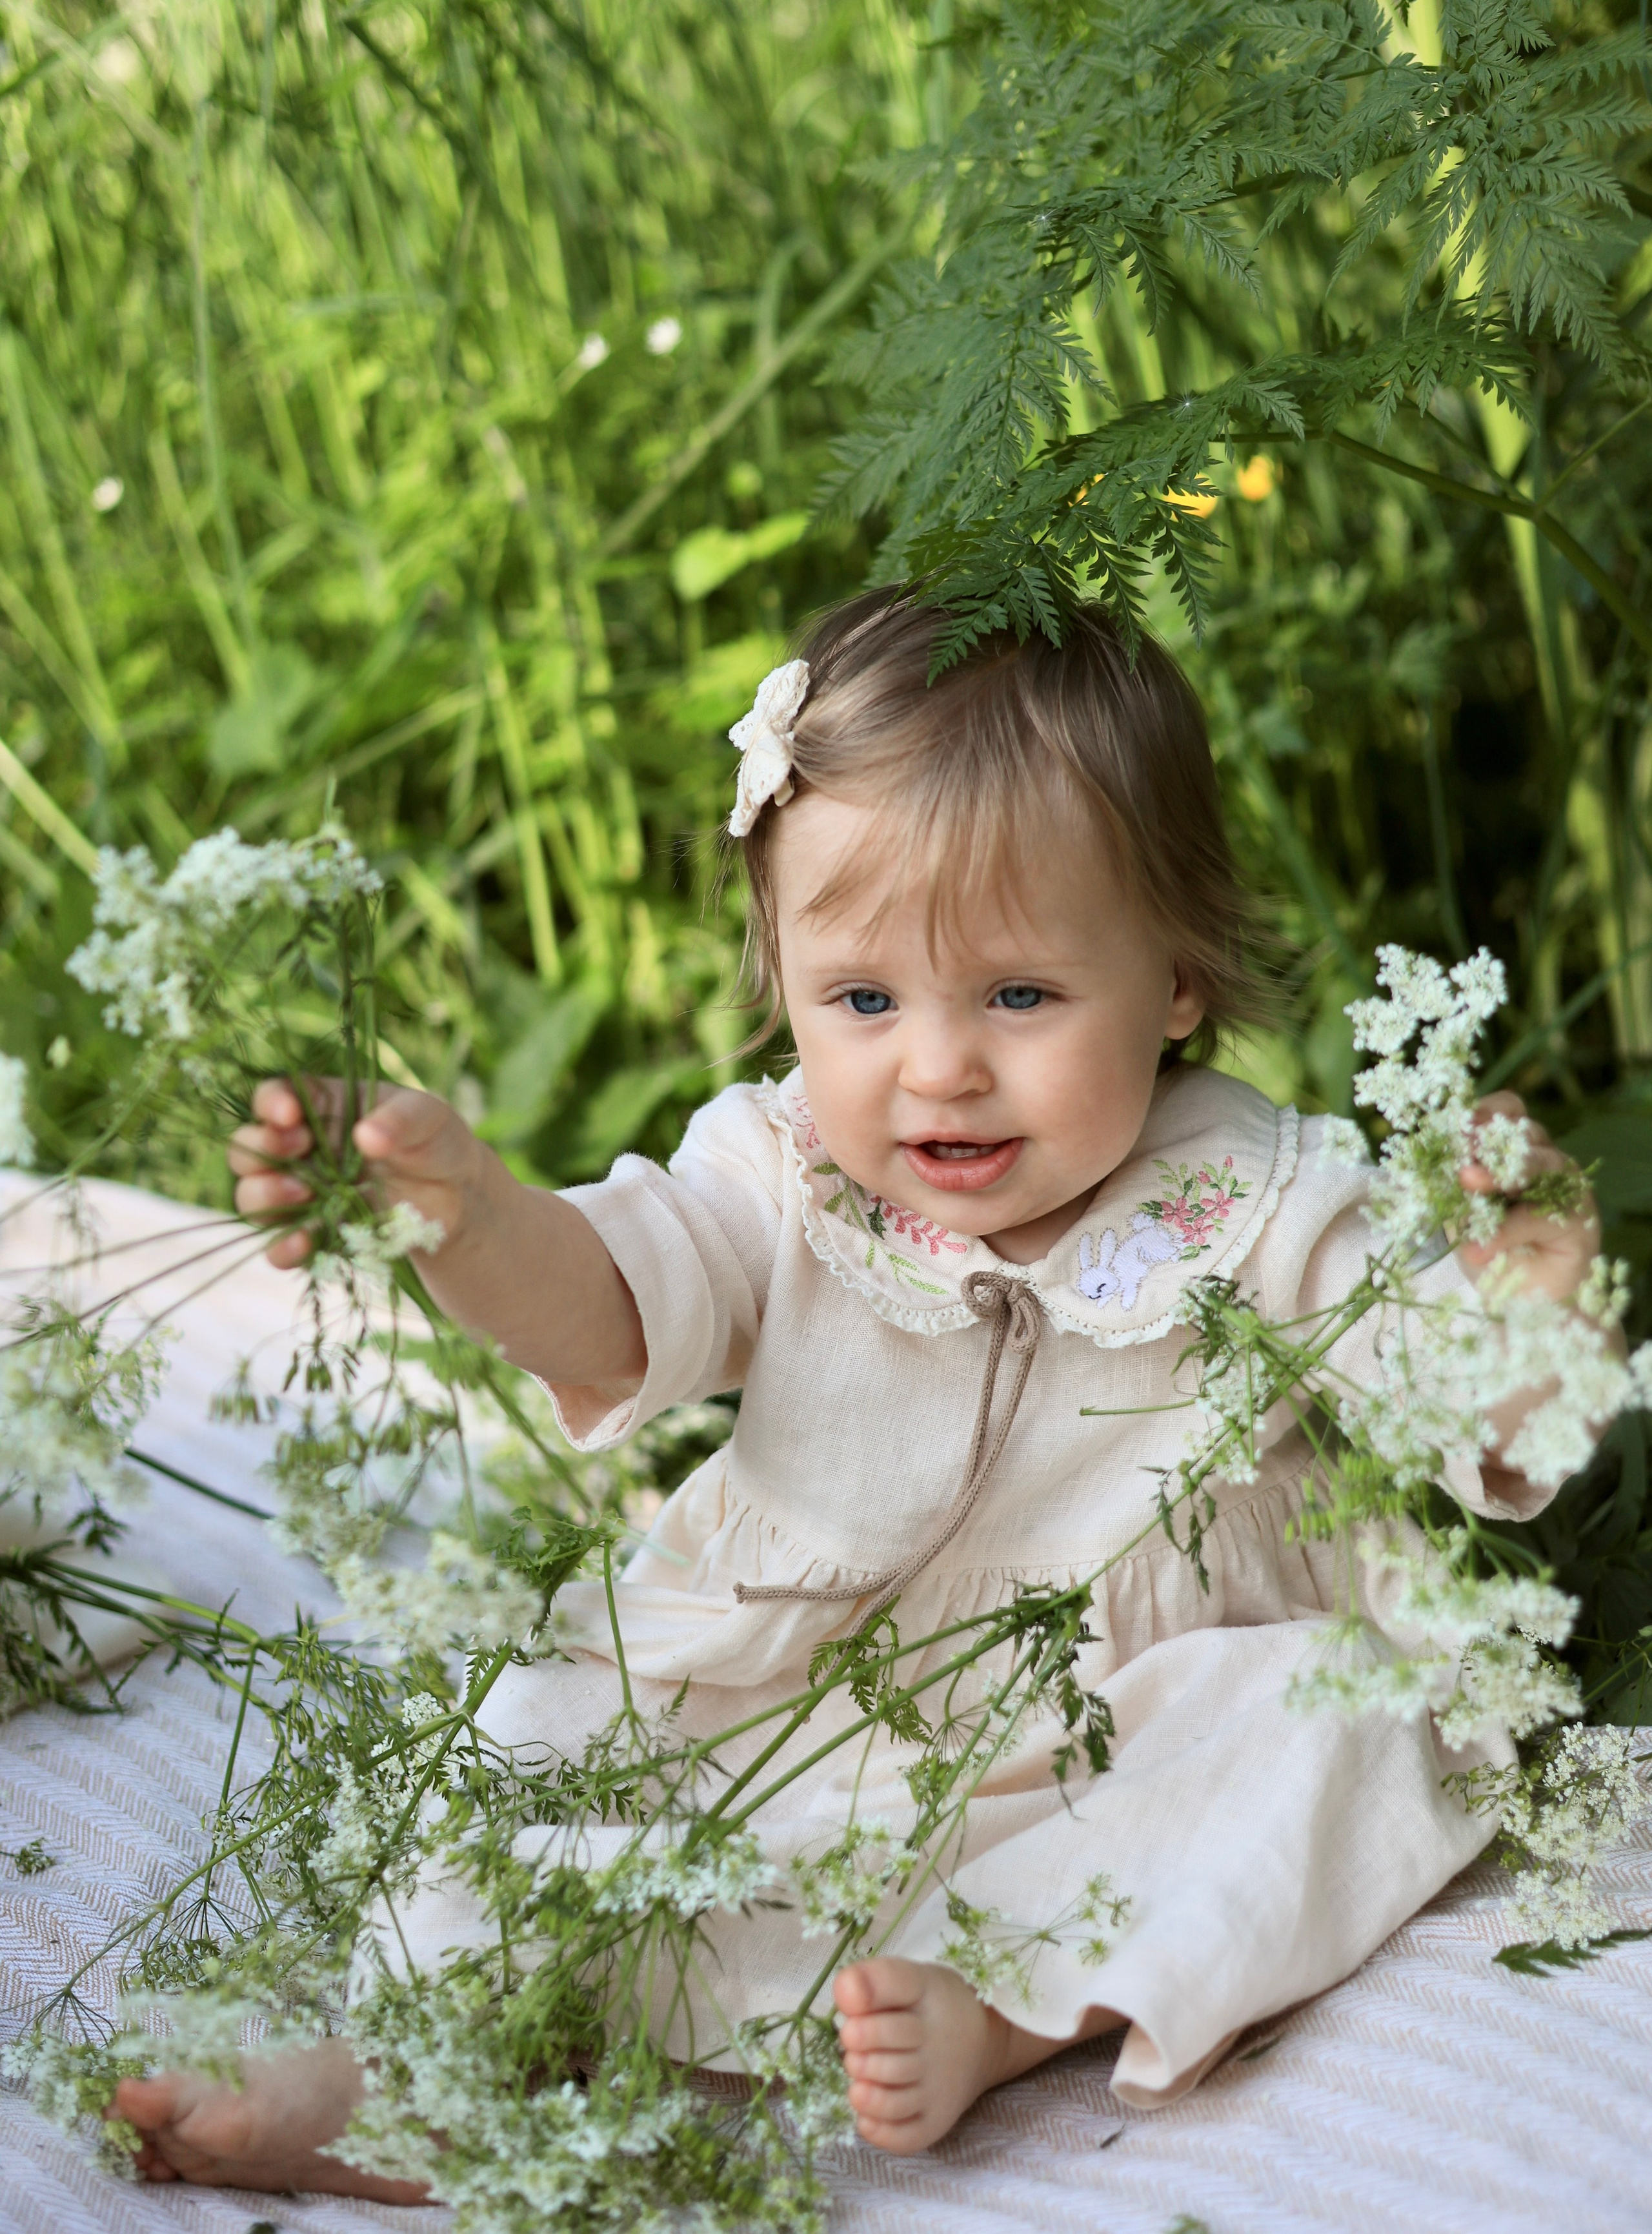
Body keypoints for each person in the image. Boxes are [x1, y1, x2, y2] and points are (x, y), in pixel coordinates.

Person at [112, 589, 1602, 2195]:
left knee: (1357, 1721)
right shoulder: (782, 1173)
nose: (938, 1066)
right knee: (526, 1736)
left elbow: (1455, 1407)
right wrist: (466, 1216)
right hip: (790, 1702)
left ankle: (1005, 2011)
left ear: (1177, 977)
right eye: (863, 1000)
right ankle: (413, 2070)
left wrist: (1524, 1305)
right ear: (785, 977)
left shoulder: (1268, 1197)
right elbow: (610, 1307)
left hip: (1116, 1745)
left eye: (1019, 996)